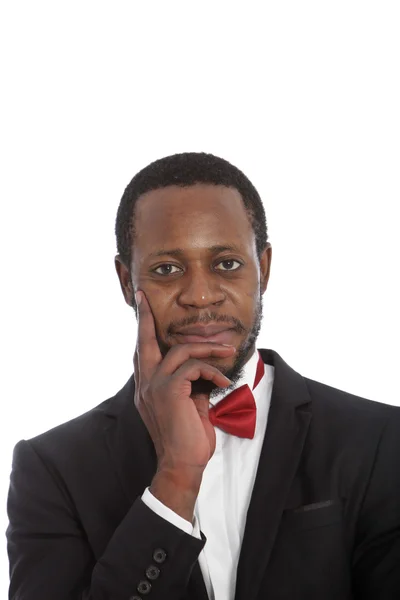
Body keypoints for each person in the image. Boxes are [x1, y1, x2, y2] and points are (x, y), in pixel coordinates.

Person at [6, 152, 400, 600]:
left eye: (227, 263)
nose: (200, 295)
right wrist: (175, 479)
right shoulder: (52, 470)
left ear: (264, 269)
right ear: (124, 281)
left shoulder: (382, 442)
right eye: (167, 269)